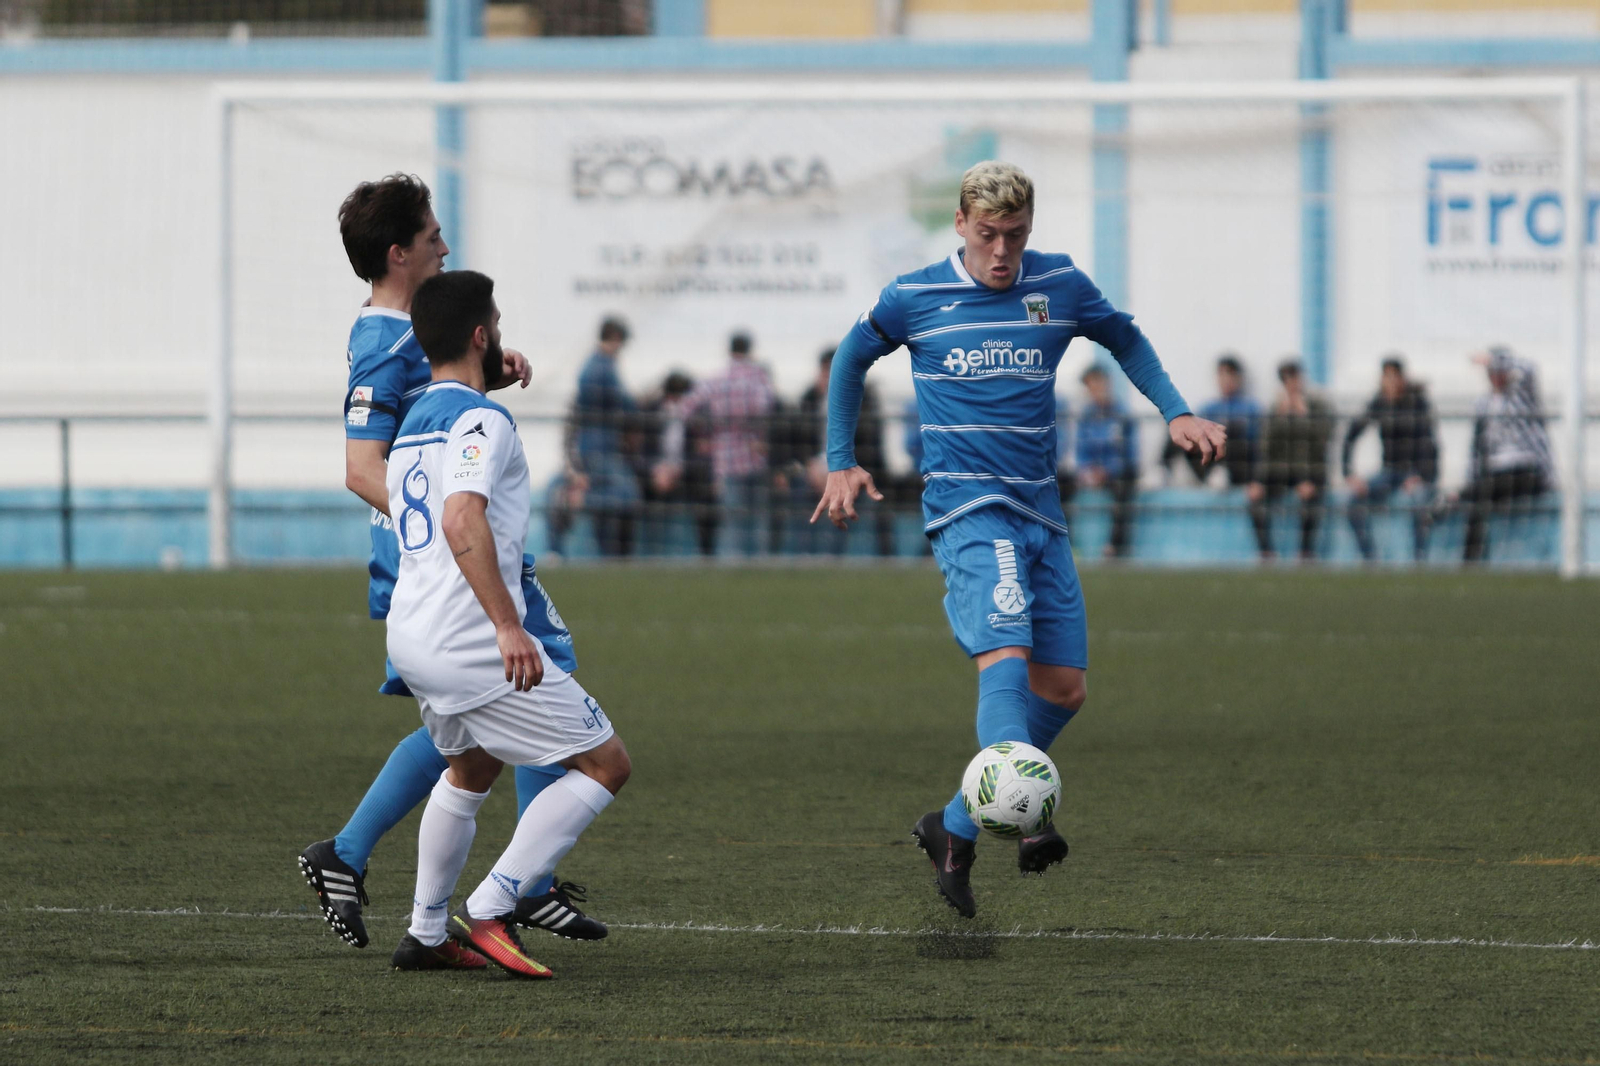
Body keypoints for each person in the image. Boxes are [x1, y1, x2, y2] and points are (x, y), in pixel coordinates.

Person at [812, 160, 1225, 918]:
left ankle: (955, 824)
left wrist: (1176, 410)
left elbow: (1123, 337)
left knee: (1064, 689)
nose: (1003, 251)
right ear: (961, 224)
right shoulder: (915, 296)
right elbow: (851, 357)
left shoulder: (1058, 283)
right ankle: (1029, 815)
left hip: (1041, 512)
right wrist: (841, 458)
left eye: (1017, 235)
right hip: (969, 511)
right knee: (1005, 657)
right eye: (989, 234)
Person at [299, 174, 603, 953]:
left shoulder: (413, 332)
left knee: (467, 738)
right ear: (399, 254)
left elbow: (427, 415)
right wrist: (441, 528)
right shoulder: (381, 342)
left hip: (442, 549)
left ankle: (366, 867)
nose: (445, 244)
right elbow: (362, 465)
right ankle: (524, 887)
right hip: (435, 555)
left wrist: (483, 369)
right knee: (537, 676)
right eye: (433, 236)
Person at [385, 270, 631, 975]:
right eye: (496, 324)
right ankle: (497, 903)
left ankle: (426, 932)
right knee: (605, 764)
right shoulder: (482, 422)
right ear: (480, 335)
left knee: (471, 765)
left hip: (412, 635)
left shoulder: (412, 424)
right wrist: (506, 625)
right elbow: (462, 517)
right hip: (468, 639)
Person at [661, 332, 775, 556]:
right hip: (755, 455)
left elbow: (685, 409)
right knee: (759, 520)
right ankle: (761, 565)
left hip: (726, 459)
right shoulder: (759, 378)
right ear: (750, 350)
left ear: (729, 350)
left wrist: (705, 432)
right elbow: (765, 409)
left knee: (732, 521)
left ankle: (733, 567)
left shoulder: (716, 379)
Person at [1455, 346, 1554, 563]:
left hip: (1527, 470)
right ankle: (1470, 561)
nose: (1495, 375)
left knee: (1480, 492)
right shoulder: (1483, 404)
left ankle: (1451, 502)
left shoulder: (1522, 396)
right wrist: (1470, 478)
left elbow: (1528, 368)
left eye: (1499, 370)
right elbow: (1476, 448)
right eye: (1491, 371)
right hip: (1495, 474)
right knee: (1477, 497)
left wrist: (1494, 359)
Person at [1342, 355, 1439, 562]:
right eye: (1387, 377)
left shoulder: (1418, 403)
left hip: (1414, 473)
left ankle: (1418, 561)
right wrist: (1348, 474)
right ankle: (1370, 559)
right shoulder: (1379, 402)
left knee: (1417, 501)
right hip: (1389, 473)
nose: (1391, 382)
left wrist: (1421, 476)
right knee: (1352, 503)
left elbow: (1430, 445)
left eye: (1395, 377)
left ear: (1403, 378)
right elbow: (1351, 435)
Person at [796, 348, 893, 556]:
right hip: (816, 473)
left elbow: (869, 443)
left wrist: (843, 468)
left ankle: (838, 555)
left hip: (856, 470)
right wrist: (811, 466)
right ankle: (806, 555)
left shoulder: (864, 398)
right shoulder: (810, 398)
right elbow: (799, 440)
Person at [1247, 359, 1334, 561]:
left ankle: (1305, 552)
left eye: (1295, 378)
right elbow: (1265, 446)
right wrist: (1279, 416)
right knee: (1255, 498)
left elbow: (1323, 441)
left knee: (1311, 497)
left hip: (1309, 469)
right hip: (1279, 469)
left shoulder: (1317, 406)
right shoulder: (1276, 407)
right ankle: (1266, 552)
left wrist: (1305, 416)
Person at [571, 317, 641, 557]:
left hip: (595, 444)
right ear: (615, 338)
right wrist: (639, 403)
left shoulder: (593, 365)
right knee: (624, 496)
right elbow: (623, 402)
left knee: (605, 498)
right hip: (600, 446)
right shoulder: (601, 367)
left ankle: (608, 556)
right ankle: (616, 556)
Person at [1072, 365, 1140, 559]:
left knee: (1124, 486)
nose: (1095, 390)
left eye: (1098, 383)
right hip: (1092, 473)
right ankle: (1065, 543)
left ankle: (1115, 547)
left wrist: (1107, 470)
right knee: (1060, 484)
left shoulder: (1122, 414)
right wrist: (1087, 471)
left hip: (1115, 473)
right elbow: (1081, 450)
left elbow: (1130, 453)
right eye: (1091, 386)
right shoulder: (1086, 415)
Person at [1163, 354, 1260, 486]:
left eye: (1230, 374)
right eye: (1221, 375)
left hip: (1237, 463)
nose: (1226, 380)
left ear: (1239, 378)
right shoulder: (1208, 407)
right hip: (1208, 461)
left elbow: (1254, 441)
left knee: (1230, 430)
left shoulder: (1251, 407)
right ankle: (1162, 469)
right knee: (1181, 426)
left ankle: (1222, 471)